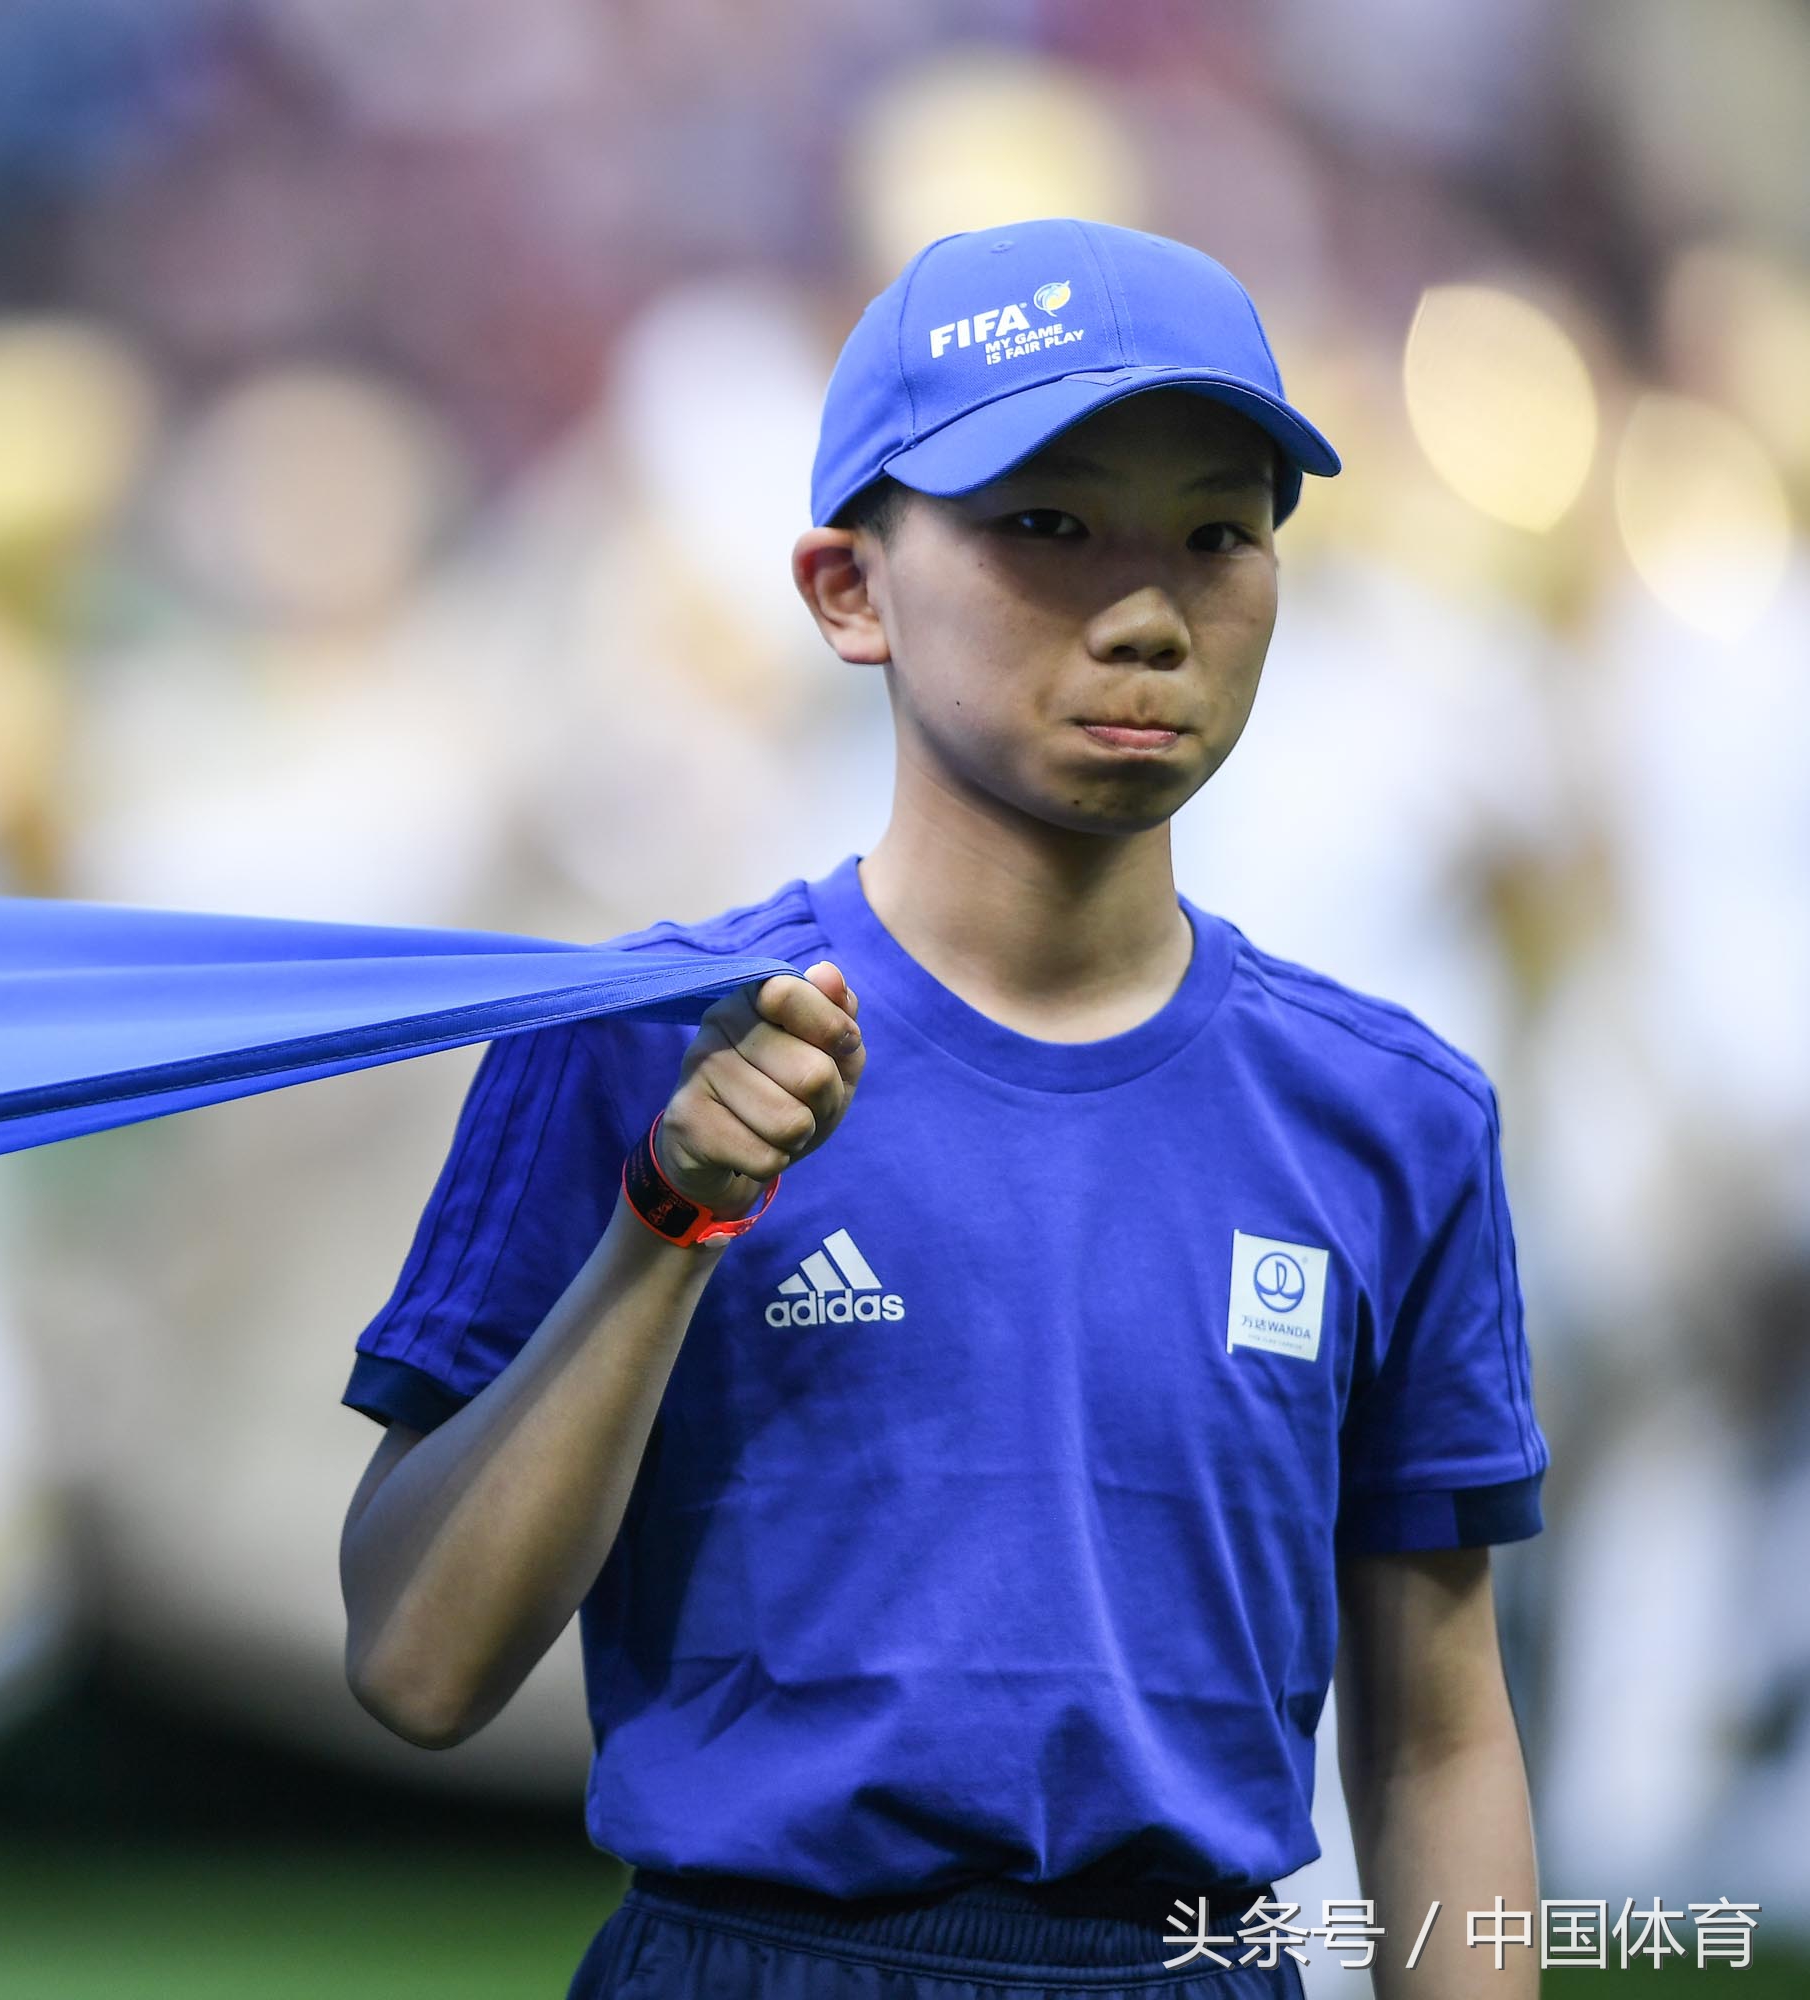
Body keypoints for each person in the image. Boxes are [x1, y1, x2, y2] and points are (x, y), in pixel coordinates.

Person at [337, 219, 1547, 1999]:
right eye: (1046, 526)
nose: (1147, 614)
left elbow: (1440, 1746)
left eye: (1219, 532)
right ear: (848, 589)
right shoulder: (650, 1041)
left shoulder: (1391, 1117)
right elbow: (419, 1665)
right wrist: (666, 1228)